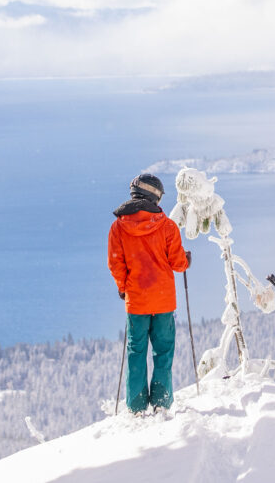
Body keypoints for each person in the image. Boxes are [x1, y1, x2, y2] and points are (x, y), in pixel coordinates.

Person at [108, 173, 191, 414]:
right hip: (164, 300)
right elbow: (178, 264)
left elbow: (116, 263)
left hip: (136, 302)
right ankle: (161, 403)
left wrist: (123, 288)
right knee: (163, 351)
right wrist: (186, 260)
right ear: (154, 196)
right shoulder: (166, 226)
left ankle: (135, 406)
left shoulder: (118, 227)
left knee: (136, 352)